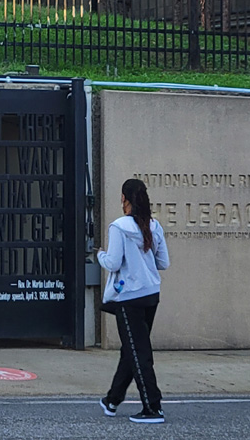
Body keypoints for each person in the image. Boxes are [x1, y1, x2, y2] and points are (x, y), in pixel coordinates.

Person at [96, 178, 170, 424]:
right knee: (132, 349)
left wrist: (100, 255)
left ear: (123, 198)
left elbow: (113, 263)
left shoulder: (119, 226)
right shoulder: (154, 225)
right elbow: (163, 262)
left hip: (129, 297)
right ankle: (112, 400)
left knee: (138, 352)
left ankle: (152, 407)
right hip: (151, 294)